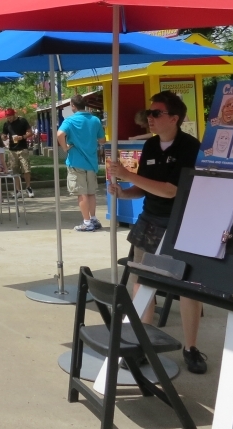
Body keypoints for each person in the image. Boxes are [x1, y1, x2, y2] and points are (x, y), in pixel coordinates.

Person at [107, 91, 207, 375]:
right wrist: (124, 193)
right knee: (142, 282)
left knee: (187, 286)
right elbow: (146, 185)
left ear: (175, 118)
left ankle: (191, 348)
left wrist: (128, 176)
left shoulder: (190, 147)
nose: (149, 118)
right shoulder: (150, 146)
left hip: (183, 223)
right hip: (150, 220)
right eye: (149, 113)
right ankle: (143, 341)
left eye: (156, 113)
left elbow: (170, 190)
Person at [58, 93, 106, 232]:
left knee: (81, 193)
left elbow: (59, 134)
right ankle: (94, 219)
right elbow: (102, 140)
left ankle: (86, 222)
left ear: (73, 105)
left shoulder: (70, 121)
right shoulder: (95, 120)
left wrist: (65, 148)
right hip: (92, 162)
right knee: (91, 192)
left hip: (75, 161)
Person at [3, 108, 35, 197]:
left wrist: (22, 137)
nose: (9, 118)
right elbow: (4, 134)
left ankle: (28, 187)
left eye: (10, 116)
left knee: (26, 169)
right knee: (14, 170)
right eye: (7, 117)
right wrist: (4, 137)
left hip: (23, 148)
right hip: (12, 150)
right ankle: (18, 190)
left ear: (14, 115)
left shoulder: (22, 121)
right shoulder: (6, 124)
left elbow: (30, 132)